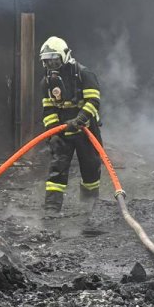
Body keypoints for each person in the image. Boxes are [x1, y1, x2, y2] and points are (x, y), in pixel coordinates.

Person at [39, 36, 102, 212]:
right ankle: (51, 208)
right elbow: (48, 109)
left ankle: (88, 206)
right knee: (57, 168)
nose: (51, 66)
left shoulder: (84, 74)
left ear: (65, 56)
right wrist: (52, 132)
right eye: (47, 62)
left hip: (86, 129)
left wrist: (79, 120)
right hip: (62, 131)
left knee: (90, 168)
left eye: (55, 61)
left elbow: (93, 101)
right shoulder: (46, 82)